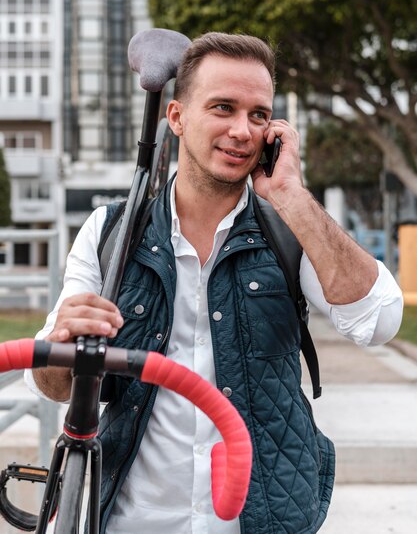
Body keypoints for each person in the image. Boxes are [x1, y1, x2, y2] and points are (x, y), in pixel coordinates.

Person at [26, 32, 403, 534]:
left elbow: (378, 322)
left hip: (263, 520)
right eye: (223, 107)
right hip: (127, 519)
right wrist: (61, 344)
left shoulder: (291, 230)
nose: (242, 131)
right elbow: (53, 384)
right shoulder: (110, 231)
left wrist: (291, 195)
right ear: (177, 117)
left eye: (259, 114)